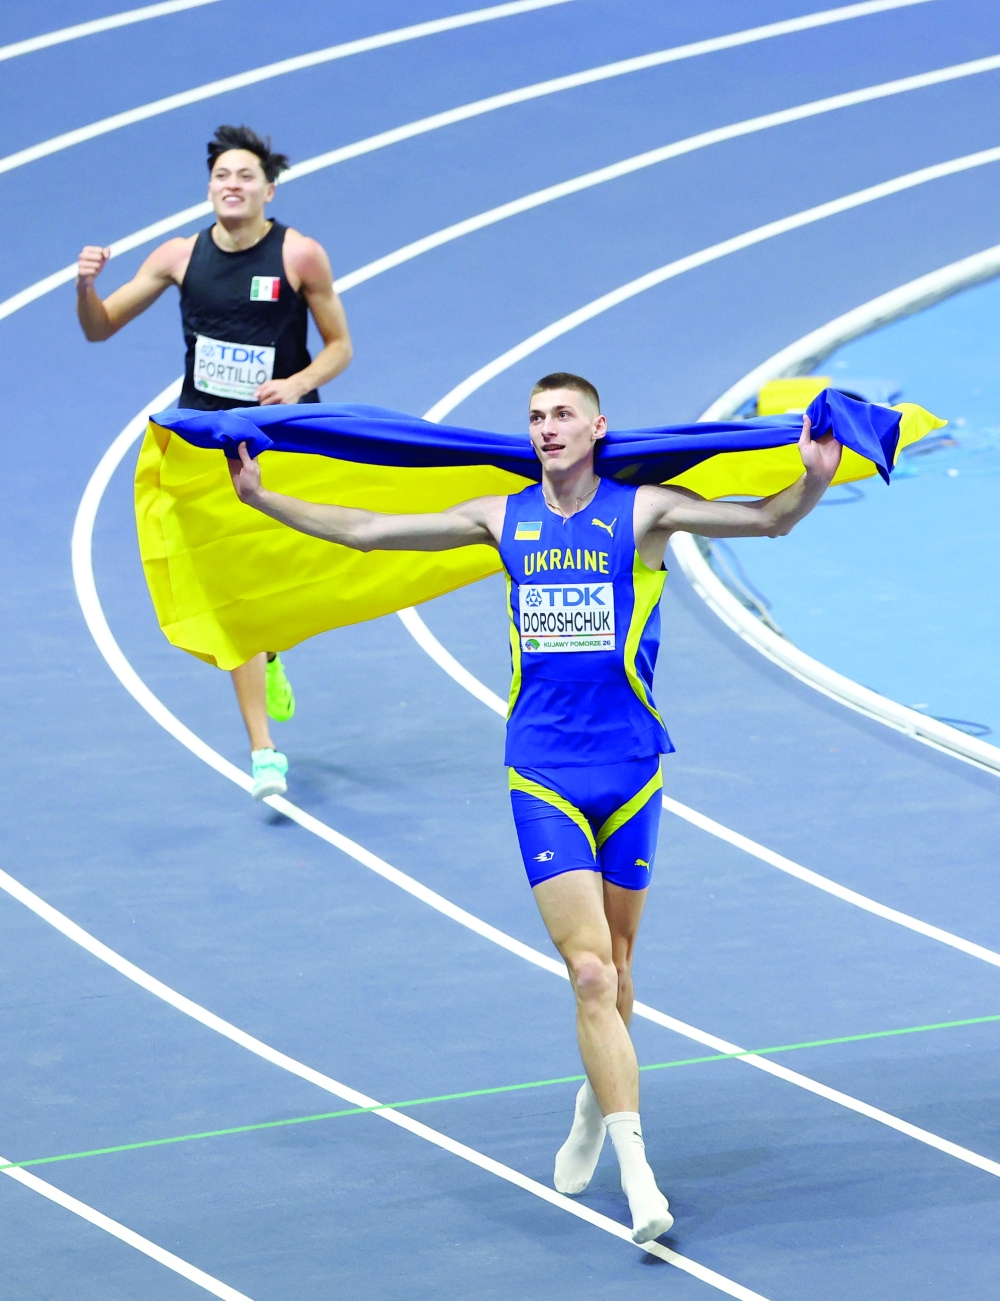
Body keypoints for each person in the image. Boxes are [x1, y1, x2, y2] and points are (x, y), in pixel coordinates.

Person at [224, 371, 842, 1242]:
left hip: (631, 769)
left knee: (620, 968)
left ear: (597, 428)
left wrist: (814, 474)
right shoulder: (500, 518)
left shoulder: (642, 514)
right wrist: (262, 496)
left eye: (562, 416)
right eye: (535, 418)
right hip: (543, 773)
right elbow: (368, 532)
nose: (547, 429)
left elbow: (768, 517)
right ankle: (639, 1180)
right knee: (590, 972)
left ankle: (595, 1105)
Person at [76, 124, 353, 799]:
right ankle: (264, 749)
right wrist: (85, 286)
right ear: (210, 188)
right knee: (230, 588)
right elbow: (99, 326)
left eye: (245, 176)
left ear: (268, 188)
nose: (232, 184)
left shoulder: (300, 255)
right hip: (204, 438)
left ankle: (275, 642)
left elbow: (340, 346)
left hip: (279, 433)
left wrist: (295, 383)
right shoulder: (178, 255)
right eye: (222, 175)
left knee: (287, 573)